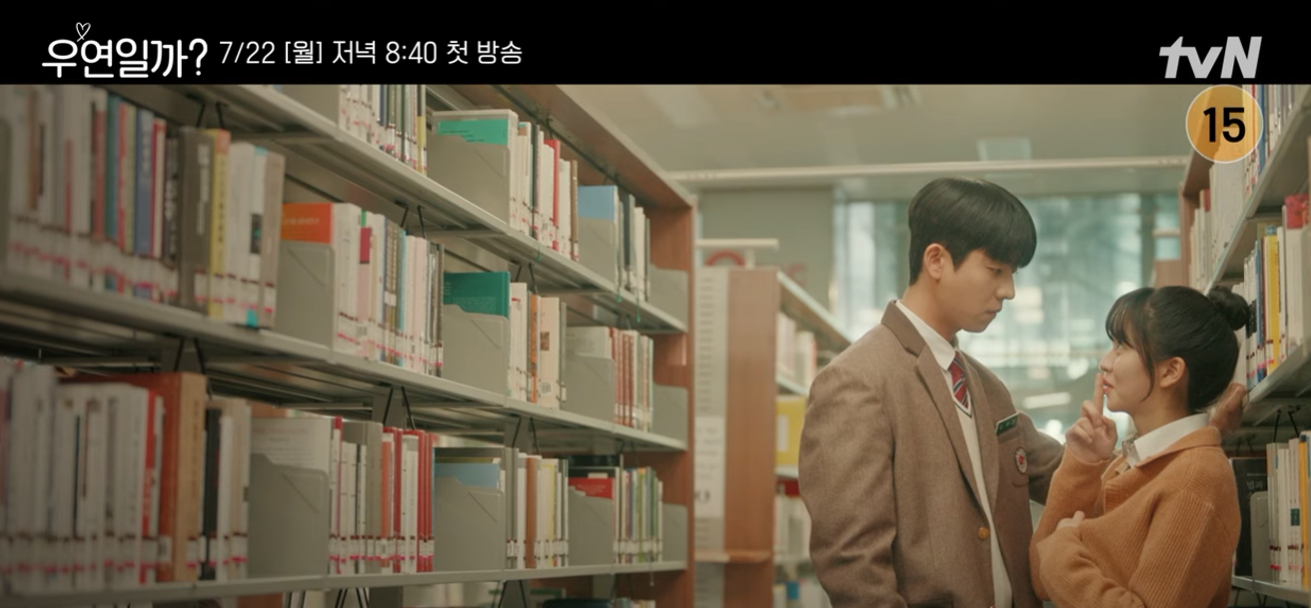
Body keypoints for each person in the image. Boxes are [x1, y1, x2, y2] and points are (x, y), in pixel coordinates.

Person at [798, 176, 1250, 608]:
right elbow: (851, 561)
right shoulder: (858, 380)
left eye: (1012, 273)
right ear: (936, 261)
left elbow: (1111, 488)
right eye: (995, 270)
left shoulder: (984, 385)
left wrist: (1198, 434)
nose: (1009, 291)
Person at [1029, 285, 1247, 608]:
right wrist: (1081, 464)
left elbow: (1055, 560)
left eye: (1121, 347)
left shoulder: (1195, 478)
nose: (1105, 362)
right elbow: (1041, 578)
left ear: (1171, 371)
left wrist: (1062, 547)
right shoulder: (1127, 463)